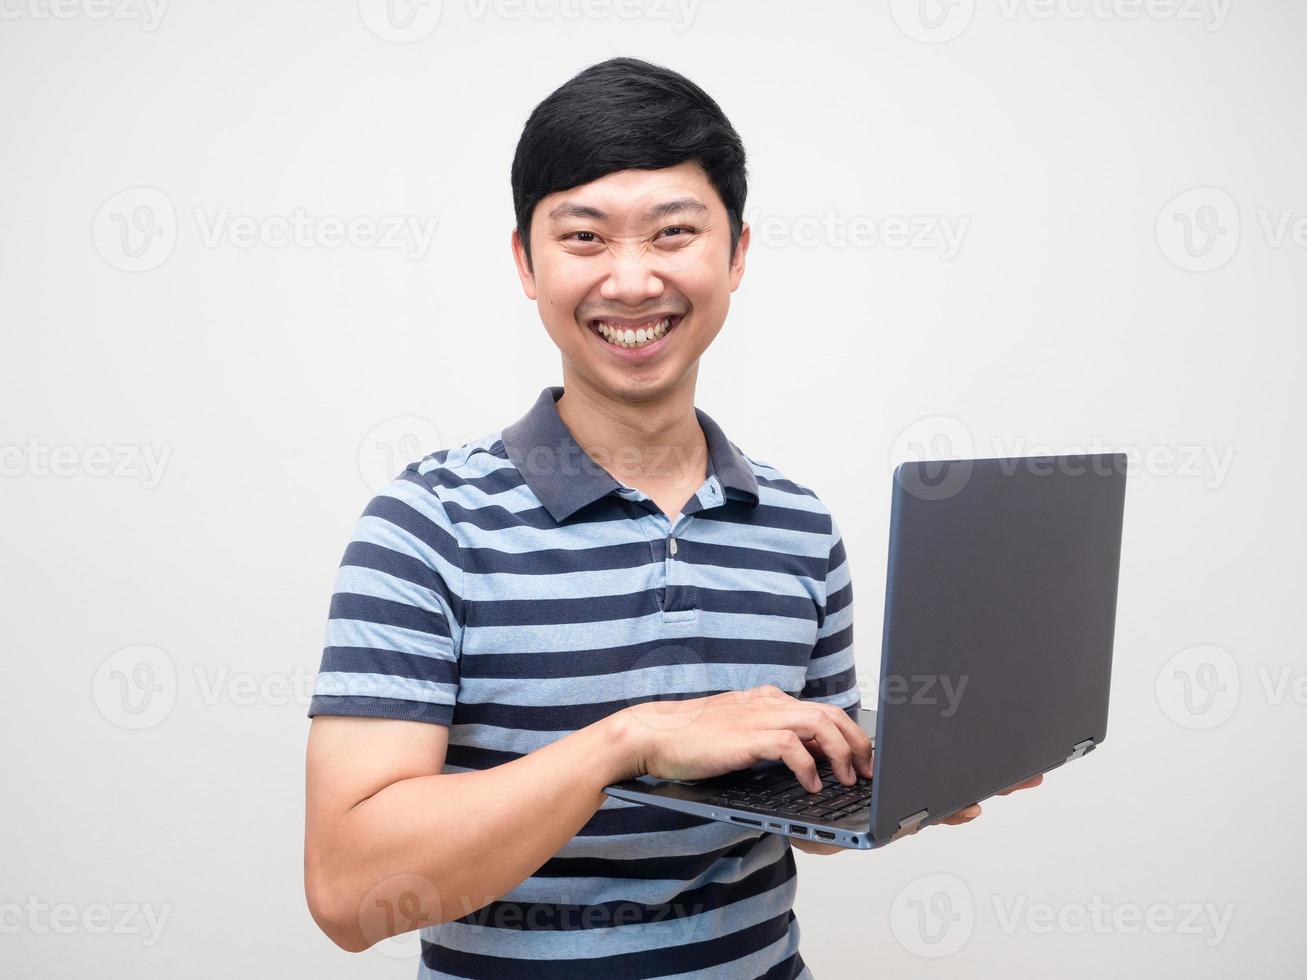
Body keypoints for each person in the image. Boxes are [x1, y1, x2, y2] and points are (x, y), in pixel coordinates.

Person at [303, 56, 1039, 978]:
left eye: (673, 233)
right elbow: (345, 890)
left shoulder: (798, 529)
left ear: (735, 254)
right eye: (585, 238)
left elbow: (798, 818)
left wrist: (902, 784)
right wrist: (631, 740)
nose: (632, 280)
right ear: (526, 263)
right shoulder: (427, 526)